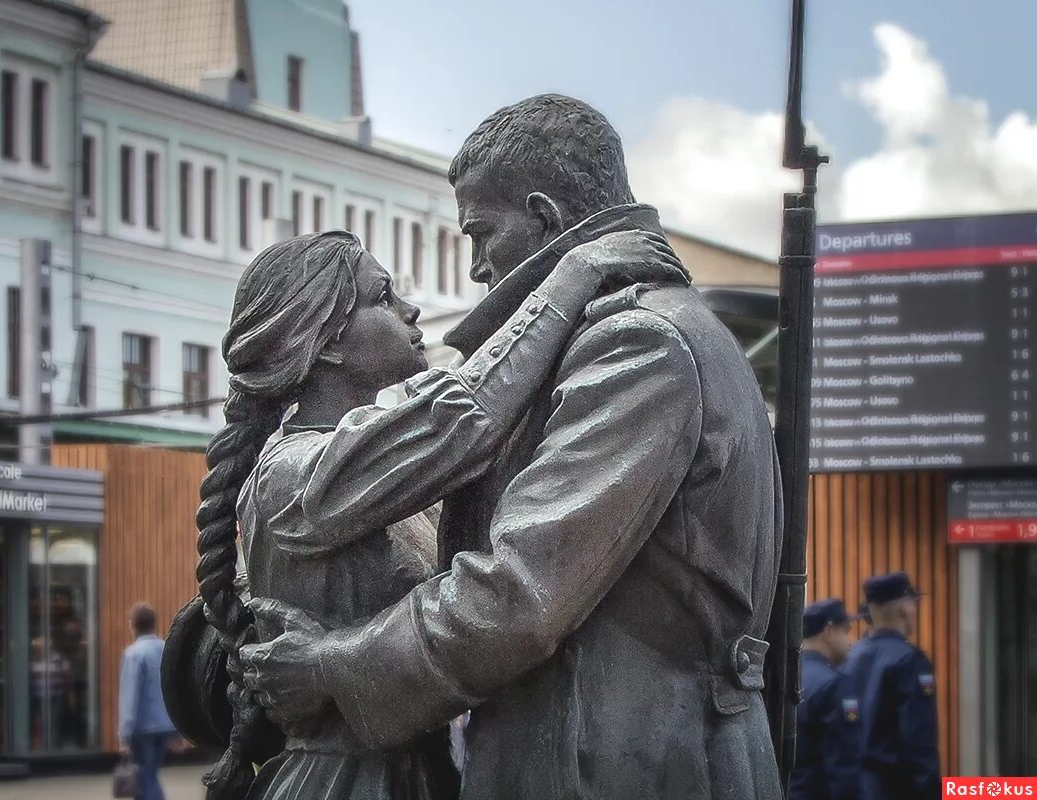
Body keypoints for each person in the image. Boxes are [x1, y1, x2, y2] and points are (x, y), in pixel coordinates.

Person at [239, 95, 783, 799]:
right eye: (384, 296)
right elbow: (456, 421)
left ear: (546, 218)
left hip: (617, 766)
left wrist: (332, 667)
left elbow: (518, 592)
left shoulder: (636, 342)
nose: (473, 270)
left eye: (481, 233)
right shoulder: (639, 331)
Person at [186, 230, 672, 800]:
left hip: (416, 773)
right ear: (327, 344)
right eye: (383, 296)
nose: (409, 309)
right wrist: (573, 274)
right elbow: (463, 417)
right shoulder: (294, 475)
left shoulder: (383, 477)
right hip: (346, 784)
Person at [844, 572, 939, 800]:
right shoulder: (909, 662)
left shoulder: (849, 657)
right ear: (905, 609)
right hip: (895, 790)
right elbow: (918, 742)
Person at [791, 599, 862, 800]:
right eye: (845, 631)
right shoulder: (832, 685)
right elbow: (843, 765)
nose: (849, 642)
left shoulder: (784, 678)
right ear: (828, 631)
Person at [119, 603, 178, 800]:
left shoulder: (134, 654)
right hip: (165, 724)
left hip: (143, 728)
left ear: (132, 625)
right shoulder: (164, 649)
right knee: (150, 775)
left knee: (145, 779)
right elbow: (172, 687)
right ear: (153, 624)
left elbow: (130, 696)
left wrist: (125, 734)